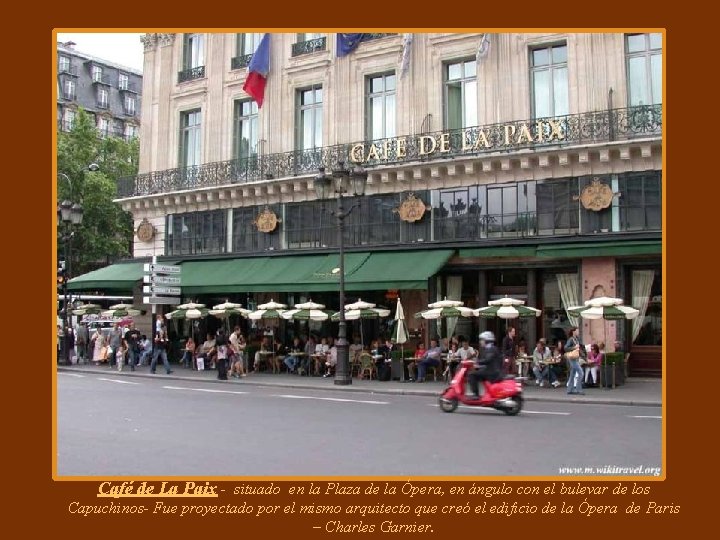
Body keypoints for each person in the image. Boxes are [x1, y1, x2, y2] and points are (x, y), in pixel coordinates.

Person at [468, 331, 503, 399]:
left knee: (472, 375)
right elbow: (488, 361)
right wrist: (478, 365)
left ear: (487, 340)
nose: (481, 341)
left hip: (492, 372)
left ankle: (476, 395)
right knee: (476, 373)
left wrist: (476, 362)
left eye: (482, 340)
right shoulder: (488, 349)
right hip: (491, 370)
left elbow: (487, 360)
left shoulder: (491, 349)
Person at [565, 327, 585, 395]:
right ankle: (578, 390)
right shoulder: (571, 339)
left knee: (572, 374)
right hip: (572, 359)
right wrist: (574, 347)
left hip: (575, 358)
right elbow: (566, 348)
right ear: (573, 332)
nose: (578, 332)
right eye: (577, 331)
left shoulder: (576, 339)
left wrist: (583, 356)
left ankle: (569, 390)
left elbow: (579, 349)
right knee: (581, 373)